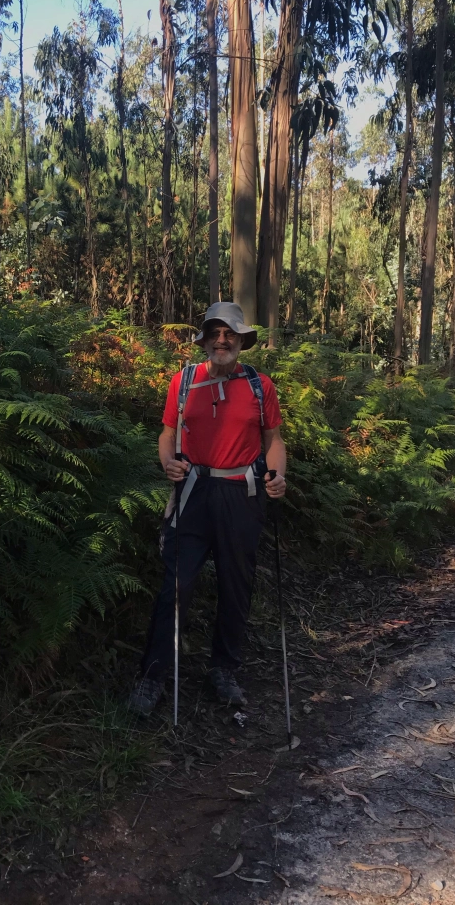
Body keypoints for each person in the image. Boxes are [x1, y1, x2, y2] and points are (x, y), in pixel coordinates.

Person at [129, 301, 286, 715]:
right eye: (215, 333)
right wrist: (168, 463)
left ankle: (224, 669)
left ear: (241, 340)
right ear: (204, 339)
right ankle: (154, 675)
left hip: (243, 494)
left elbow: (273, 440)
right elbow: (167, 434)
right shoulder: (183, 382)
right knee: (176, 584)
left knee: (237, 585)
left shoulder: (259, 385)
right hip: (193, 492)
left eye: (230, 333)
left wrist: (277, 475)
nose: (222, 340)